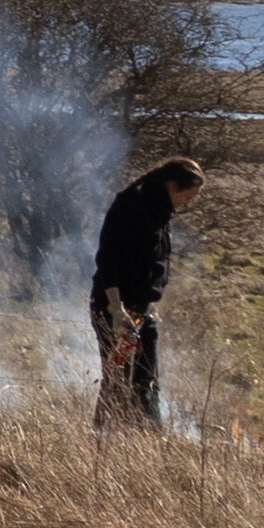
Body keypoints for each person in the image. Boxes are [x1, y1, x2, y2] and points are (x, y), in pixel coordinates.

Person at [92, 155, 209, 429]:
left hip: (143, 311)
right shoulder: (130, 207)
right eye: (187, 195)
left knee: (147, 378)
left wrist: (148, 308)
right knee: (119, 378)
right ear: (171, 185)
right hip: (117, 309)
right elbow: (108, 259)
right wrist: (116, 308)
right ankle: (103, 440)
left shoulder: (160, 211)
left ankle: (147, 439)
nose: (187, 203)